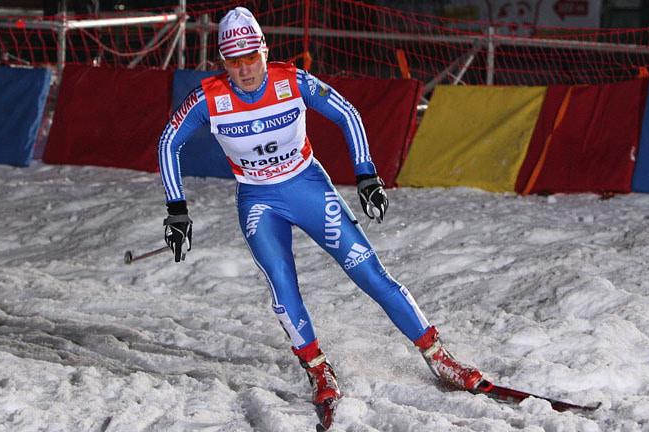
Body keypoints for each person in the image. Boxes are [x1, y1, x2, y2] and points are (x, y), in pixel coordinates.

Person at [157, 6, 485, 425]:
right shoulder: (208, 98)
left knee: (369, 272)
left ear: (264, 51)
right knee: (282, 287)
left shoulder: (291, 80)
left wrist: (366, 175)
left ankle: (439, 357)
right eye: (234, 62)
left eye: (252, 57)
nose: (245, 70)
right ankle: (318, 370)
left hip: (308, 188)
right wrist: (176, 210)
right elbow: (168, 143)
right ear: (223, 62)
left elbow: (348, 113)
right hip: (259, 202)